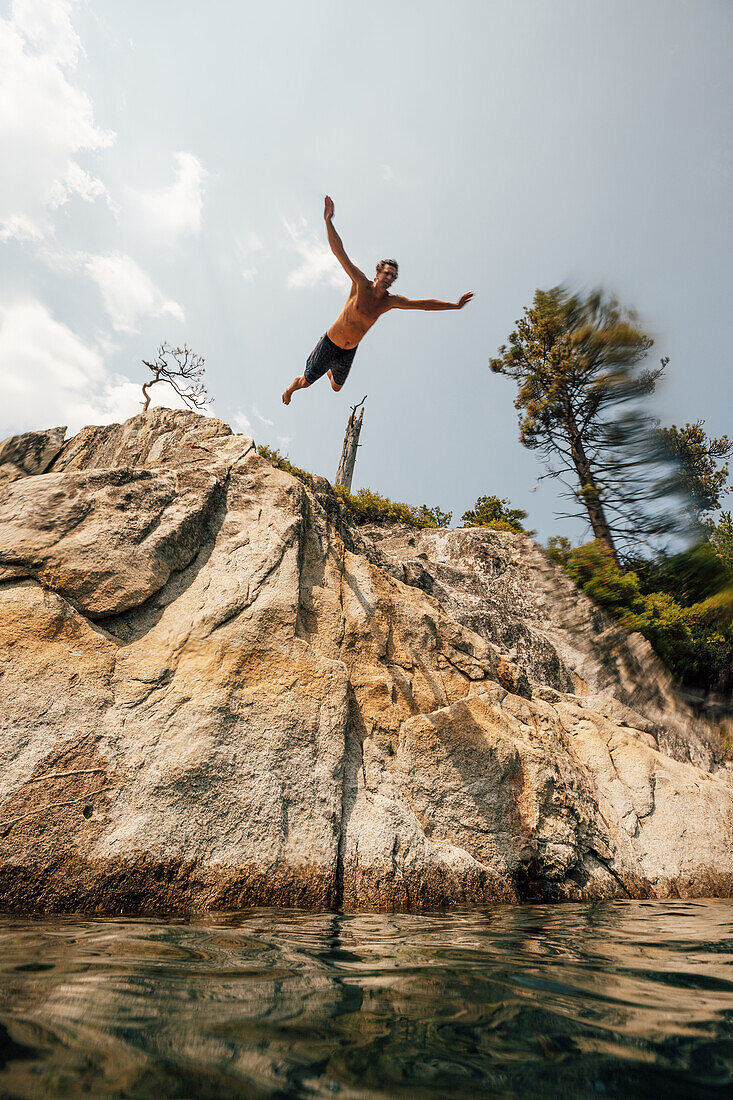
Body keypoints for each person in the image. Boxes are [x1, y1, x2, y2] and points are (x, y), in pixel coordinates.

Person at [282, 196, 474, 404]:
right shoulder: (360, 283)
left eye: (393, 276)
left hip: (349, 350)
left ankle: (330, 370)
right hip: (330, 343)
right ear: (377, 273)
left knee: (336, 388)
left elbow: (423, 305)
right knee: (306, 383)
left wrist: (455, 306)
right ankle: (292, 387)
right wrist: (328, 221)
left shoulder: (390, 301)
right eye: (387, 274)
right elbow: (339, 252)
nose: (390, 278)